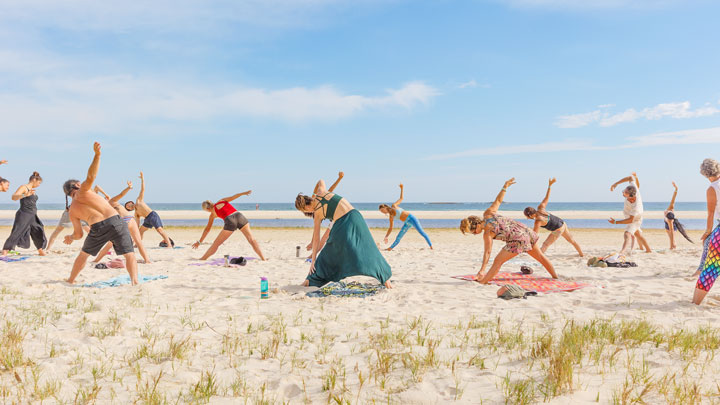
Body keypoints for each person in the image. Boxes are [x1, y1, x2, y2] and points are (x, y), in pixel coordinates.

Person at [295, 176, 392, 288]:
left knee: (329, 251)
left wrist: (313, 261)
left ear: (306, 207)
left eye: (305, 210)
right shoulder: (321, 191)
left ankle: (310, 280)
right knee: (369, 248)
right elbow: (320, 180)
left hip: (343, 223)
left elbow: (317, 238)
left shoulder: (317, 213)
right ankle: (385, 278)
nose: (308, 212)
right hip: (356, 216)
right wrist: (314, 194)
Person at [62, 142, 138, 285]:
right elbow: (91, 177)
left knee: (83, 255)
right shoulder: (83, 190)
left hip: (97, 228)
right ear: (77, 186)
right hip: (115, 221)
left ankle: (71, 280)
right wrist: (97, 155)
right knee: (130, 254)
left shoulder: (72, 210)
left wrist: (70, 237)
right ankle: (135, 282)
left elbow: (78, 234)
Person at [460, 178, 557, 284]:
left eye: (473, 231)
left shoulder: (487, 232)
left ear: (476, 225)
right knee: (541, 258)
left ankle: (483, 282)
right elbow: (498, 201)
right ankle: (555, 277)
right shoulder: (488, 213)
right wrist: (505, 187)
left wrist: (482, 270)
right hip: (527, 232)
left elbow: (487, 252)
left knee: (498, 261)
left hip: (518, 240)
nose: (474, 234)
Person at [191, 190, 266, 261]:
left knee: (216, 244)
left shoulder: (212, 214)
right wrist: (243, 193)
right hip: (239, 216)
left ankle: (203, 258)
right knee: (252, 240)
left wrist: (199, 242)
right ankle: (263, 258)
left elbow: (207, 230)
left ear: (207, 208)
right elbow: (234, 196)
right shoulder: (222, 201)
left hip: (230, 220)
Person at [93, 183, 152, 264]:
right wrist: (128, 188)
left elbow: (96, 188)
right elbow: (120, 194)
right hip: (129, 219)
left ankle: (96, 260)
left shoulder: (104, 208)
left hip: (124, 222)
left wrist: (104, 195)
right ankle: (147, 260)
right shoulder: (111, 202)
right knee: (138, 242)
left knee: (109, 244)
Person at [523, 178, 583, 257]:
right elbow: (546, 198)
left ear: (530, 215)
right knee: (572, 240)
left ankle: (539, 258)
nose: (527, 218)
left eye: (527, 217)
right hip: (562, 223)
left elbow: (535, 235)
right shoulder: (541, 208)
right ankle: (582, 255)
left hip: (558, 230)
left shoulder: (538, 221)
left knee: (545, 244)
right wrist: (549, 186)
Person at [693, 159, 720, 305]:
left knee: (711, 268)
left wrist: (708, 232)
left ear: (704, 174)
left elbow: (710, 213)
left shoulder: (712, 188)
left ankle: (695, 303)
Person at [2, 171, 47, 256]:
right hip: (24, 214)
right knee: (17, 232)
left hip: (32, 215)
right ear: (34, 180)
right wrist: (25, 195)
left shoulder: (32, 190)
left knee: (38, 230)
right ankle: (5, 250)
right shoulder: (24, 187)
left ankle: (40, 251)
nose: (39, 185)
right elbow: (14, 197)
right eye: (39, 182)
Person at [124, 172, 173, 248]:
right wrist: (133, 235)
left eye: (128, 204)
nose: (129, 206)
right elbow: (137, 225)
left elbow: (142, 189)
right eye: (128, 208)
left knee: (159, 230)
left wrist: (142, 179)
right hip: (147, 219)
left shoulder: (138, 200)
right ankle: (137, 244)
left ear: (131, 202)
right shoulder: (136, 213)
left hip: (152, 215)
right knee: (140, 231)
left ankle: (169, 244)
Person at [379, 183, 432, 251]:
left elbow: (401, 198)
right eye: (381, 212)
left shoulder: (394, 206)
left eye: (382, 210)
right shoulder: (391, 217)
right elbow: (390, 228)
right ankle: (390, 248)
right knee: (398, 237)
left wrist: (402, 188)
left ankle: (431, 246)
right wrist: (386, 236)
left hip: (412, 218)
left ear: (386, 207)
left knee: (421, 232)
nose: (383, 212)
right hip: (407, 223)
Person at [609, 172, 651, 254]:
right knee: (638, 234)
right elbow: (630, 177)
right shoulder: (634, 189)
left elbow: (630, 220)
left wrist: (615, 222)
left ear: (630, 195)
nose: (623, 193)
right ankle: (648, 250)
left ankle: (622, 251)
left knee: (627, 233)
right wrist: (616, 183)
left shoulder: (636, 207)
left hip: (635, 219)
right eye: (623, 191)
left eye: (625, 193)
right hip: (630, 217)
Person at [663, 182, 693, 250]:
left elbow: (672, 231)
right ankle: (673, 246)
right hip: (669, 225)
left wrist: (671, 245)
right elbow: (673, 198)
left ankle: (672, 246)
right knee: (671, 238)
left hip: (671, 227)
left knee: (672, 238)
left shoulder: (670, 220)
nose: (665, 212)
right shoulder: (670, 208)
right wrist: (676, 189)